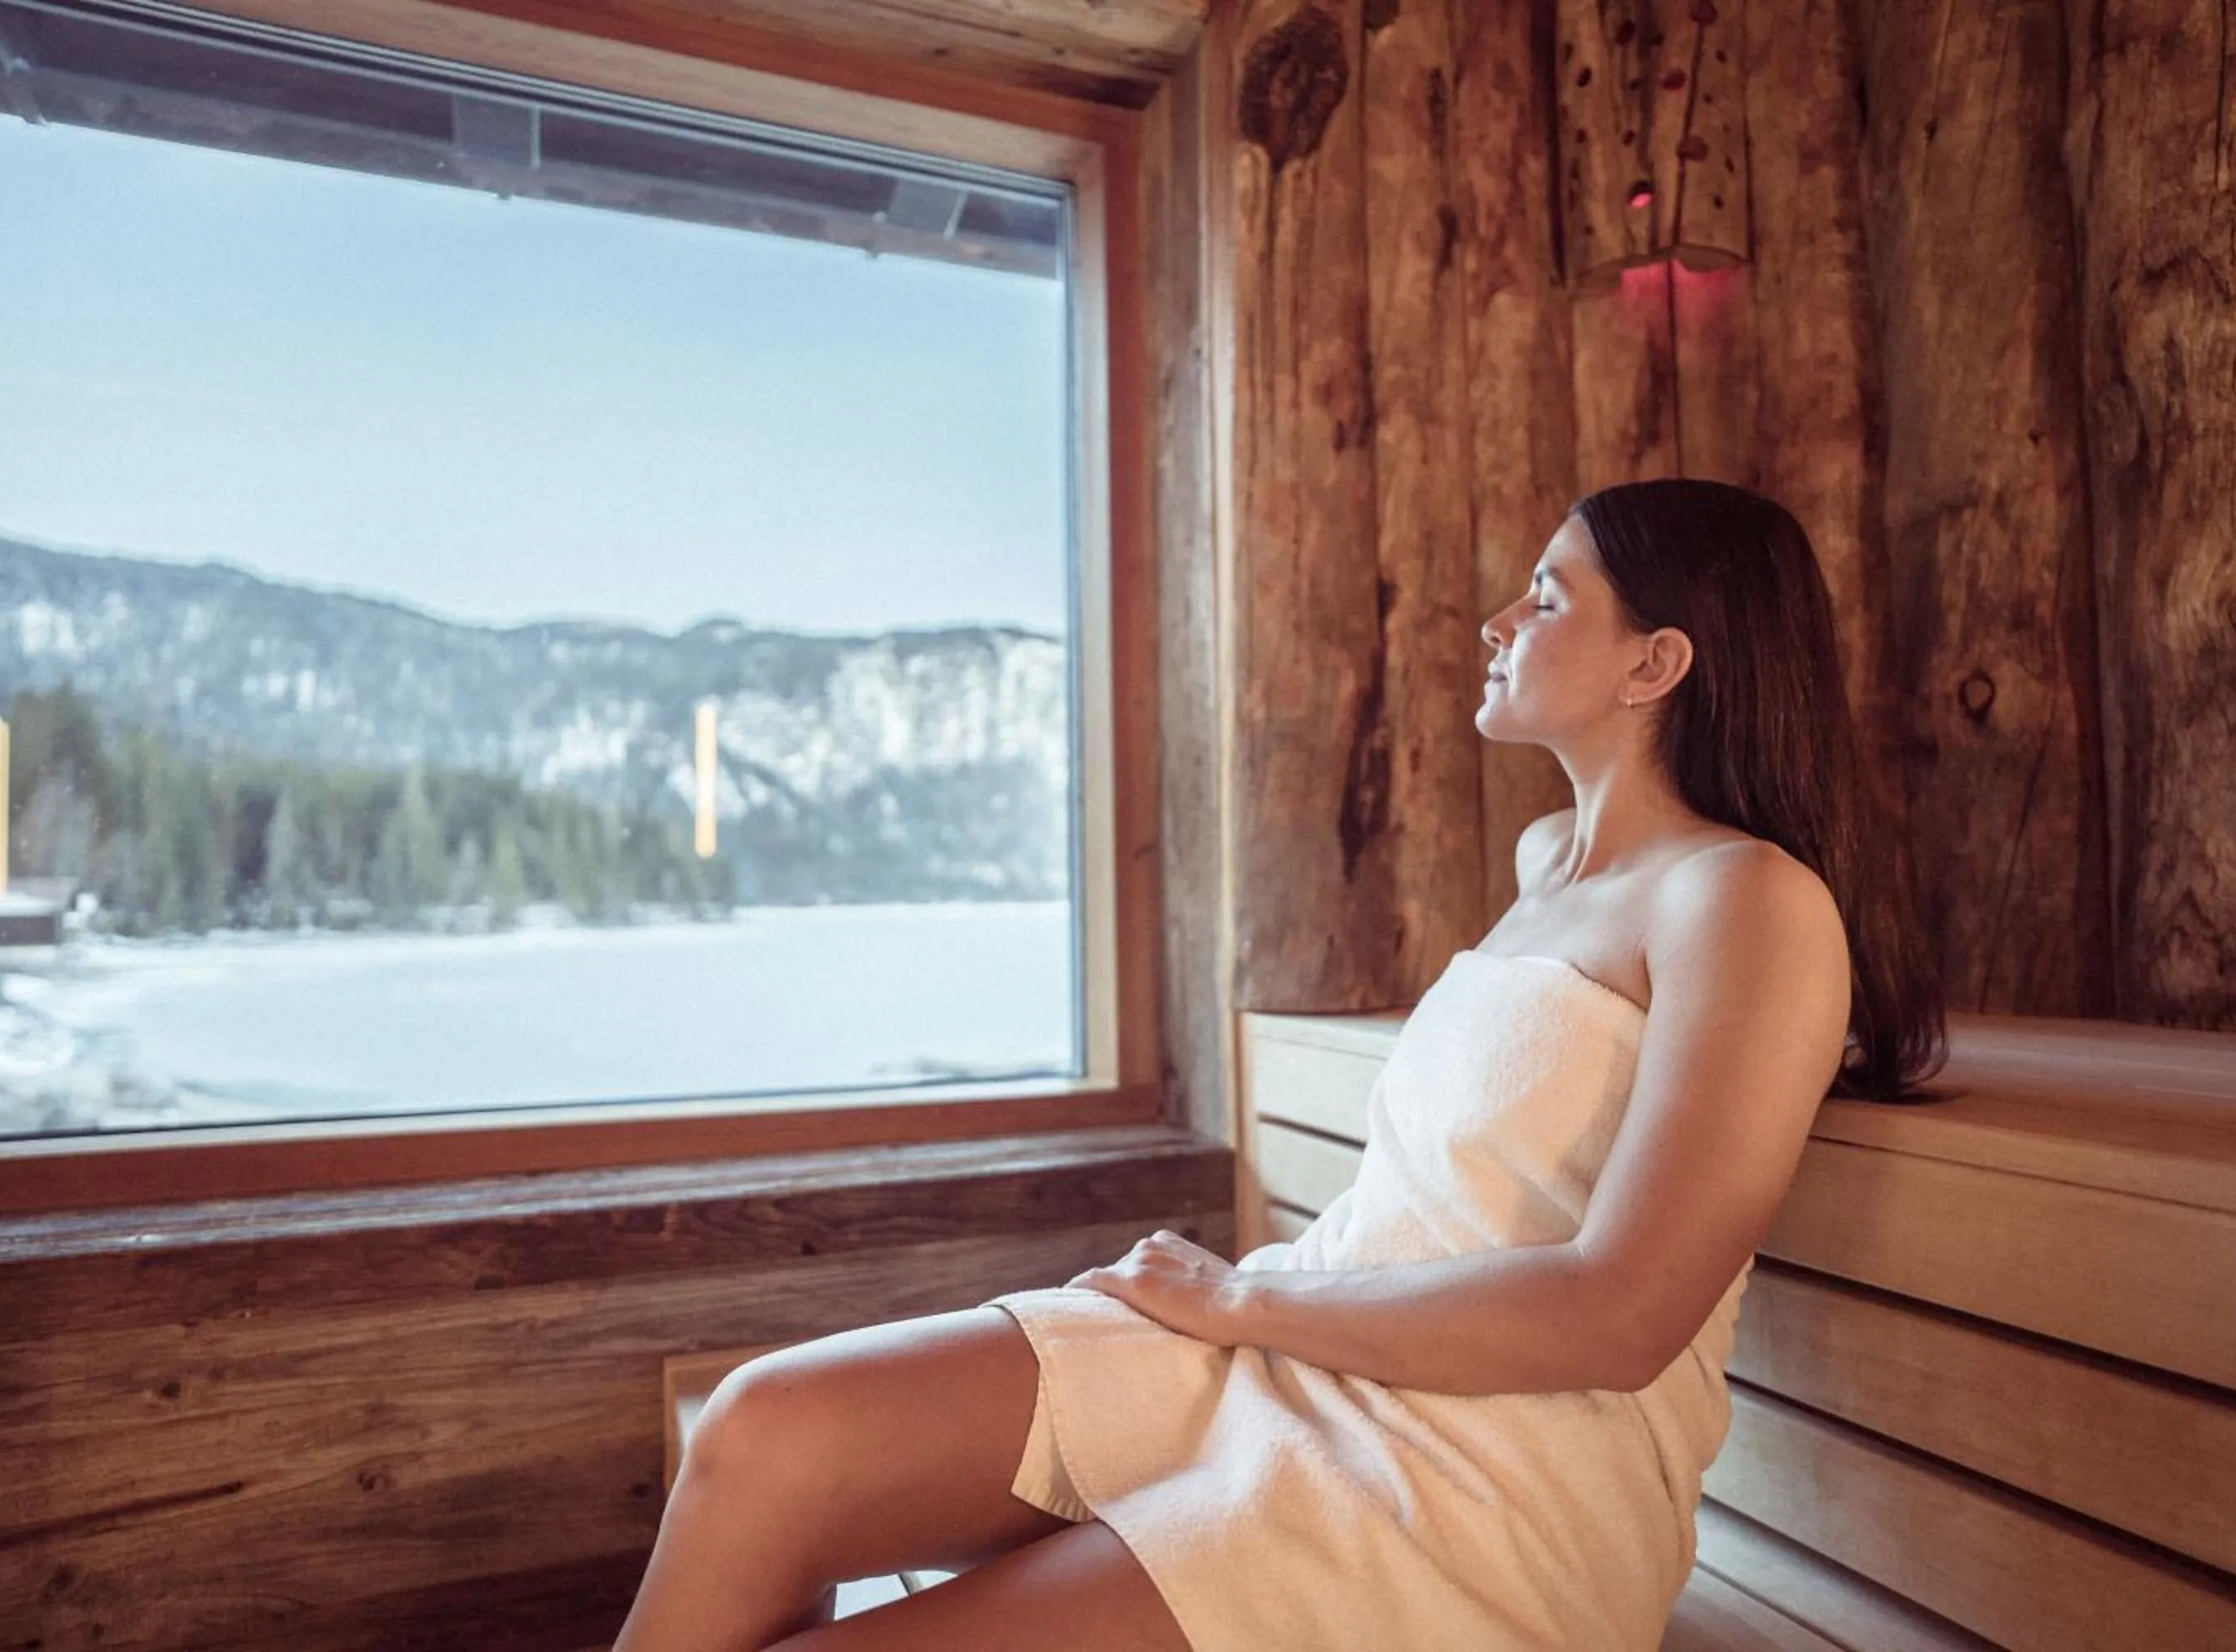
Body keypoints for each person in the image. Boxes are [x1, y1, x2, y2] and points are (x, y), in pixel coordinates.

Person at [612, 477, 1947, 1652]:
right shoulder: (1550, 865)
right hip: (1317, 1336)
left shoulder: (1749, 903)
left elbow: (1623, 1312)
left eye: (1545, 598)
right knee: (757, 1434)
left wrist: (1245, 1309)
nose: (1498, 623)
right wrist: (1257, 1312)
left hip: (1486, 1471)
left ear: (1655, 663)